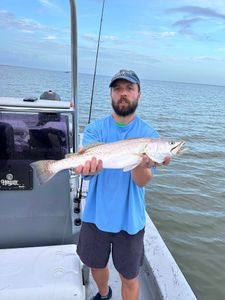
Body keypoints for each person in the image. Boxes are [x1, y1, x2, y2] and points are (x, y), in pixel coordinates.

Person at [76, 69, 171, 300]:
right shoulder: (94, 129)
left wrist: (141, 163)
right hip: (96, 216)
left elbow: (143, 181)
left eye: (129, 88)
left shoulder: (150, 135)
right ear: (111, 94)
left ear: (139, 94)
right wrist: (85, 168)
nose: (123, 93)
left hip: (130, 220)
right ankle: (104, 292)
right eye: (118, 88)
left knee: (129, 277)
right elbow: (86, 175)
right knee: (95, 265)